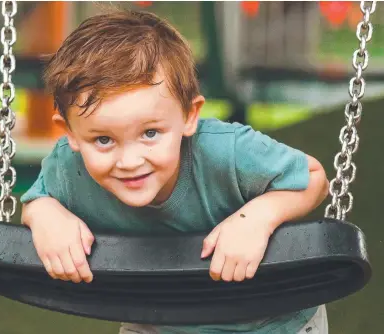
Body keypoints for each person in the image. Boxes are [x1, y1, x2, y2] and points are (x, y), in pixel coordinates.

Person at [21, 8, 330, 334]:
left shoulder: (226, 151)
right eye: (103, 139)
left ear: (189, 115)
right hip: (159, 319)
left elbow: (313, 178)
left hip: (273, 320)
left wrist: (258, 218)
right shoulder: (69, 167)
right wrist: (46, 216)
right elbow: (36, 200)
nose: (129, 161)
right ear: (69, 132)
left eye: (150, 133)